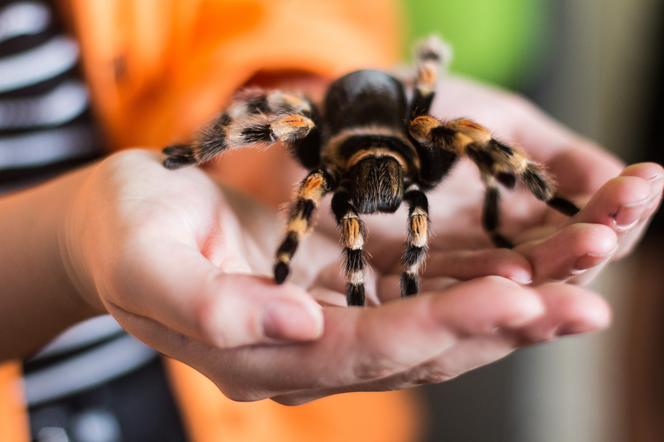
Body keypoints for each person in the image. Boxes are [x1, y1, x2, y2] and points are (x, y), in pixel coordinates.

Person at [0, 0, 662, 440]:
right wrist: (194, 172)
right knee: (285, 117)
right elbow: (280, 126)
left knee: (449, 128)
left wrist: (524, 192)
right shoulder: (322, 166)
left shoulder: (418, 141)